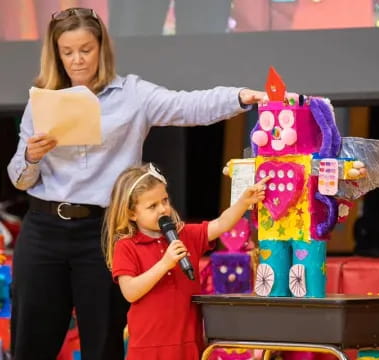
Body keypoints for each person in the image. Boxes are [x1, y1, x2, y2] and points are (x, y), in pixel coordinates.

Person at [7, 7, 268, 360]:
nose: (77, 60)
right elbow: (20, 178)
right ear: (56, 54)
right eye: (67, 52)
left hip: (103, 232)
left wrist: (238, 97)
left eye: (85, 49)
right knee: (32, 340)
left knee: (103, 339)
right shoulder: (41, 101)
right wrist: (32, 156)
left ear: (101, 48)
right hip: (43, 228)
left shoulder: (132, 94)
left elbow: (187, 106)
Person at [102, 162, 269, 360]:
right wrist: (165, 263)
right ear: (132, 213)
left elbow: (221, 224)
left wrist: (243, 203)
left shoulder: (185, 234)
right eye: (152, 206)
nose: (163, 209)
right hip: (148, 348)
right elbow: (130, 292)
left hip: (187, 344)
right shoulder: (127, 246)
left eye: (165, 200)